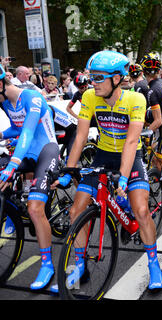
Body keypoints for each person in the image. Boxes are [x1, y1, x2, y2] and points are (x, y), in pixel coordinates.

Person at [52, 50, 162, 292]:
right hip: (103, 155)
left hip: (129, 157)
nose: (93, 82)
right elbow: (81, 136)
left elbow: (132, 142)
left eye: (99, 77)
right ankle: (80, 264)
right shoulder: (90, 97)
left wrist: (123, 178)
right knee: (76, 210)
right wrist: (69, 169)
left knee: (141, 211)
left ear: (116, 79)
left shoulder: (135, 99)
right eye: (92, 77)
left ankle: (153, 264)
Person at [0, 65, 60, 290]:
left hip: (47, 149)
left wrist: (13, 164)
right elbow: (17, 129)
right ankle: (11, 212)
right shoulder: (6, 103)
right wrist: (2, 135)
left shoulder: (32, 97)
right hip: (27, 151)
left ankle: (47, 264)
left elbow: (28, 132)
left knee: (35, 208)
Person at [139, 52, 162, 207]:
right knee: (156, 157)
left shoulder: (151, 91)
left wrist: (140, 133)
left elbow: (158, 120)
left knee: (161, 163)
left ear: (143, 72)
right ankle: (156, 178)